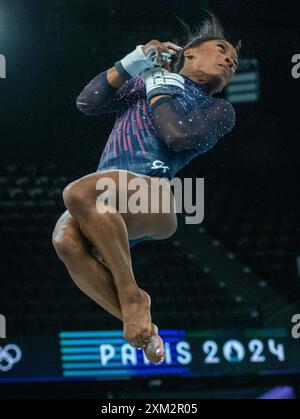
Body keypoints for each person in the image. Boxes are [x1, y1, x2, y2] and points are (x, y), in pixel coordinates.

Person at [52, 13, 241, 365]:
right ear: (189, 53)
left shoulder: (218, 108)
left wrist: (157, 83)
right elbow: (87, 102)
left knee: (78, 194)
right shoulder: (141, 83)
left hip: (152, 197)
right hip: (107, 206)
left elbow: (177, 136)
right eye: (221, 49)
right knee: (65, 241)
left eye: (233, 60)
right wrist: (134, 61)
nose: (230, 60)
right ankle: (140, 325)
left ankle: (132, 294)